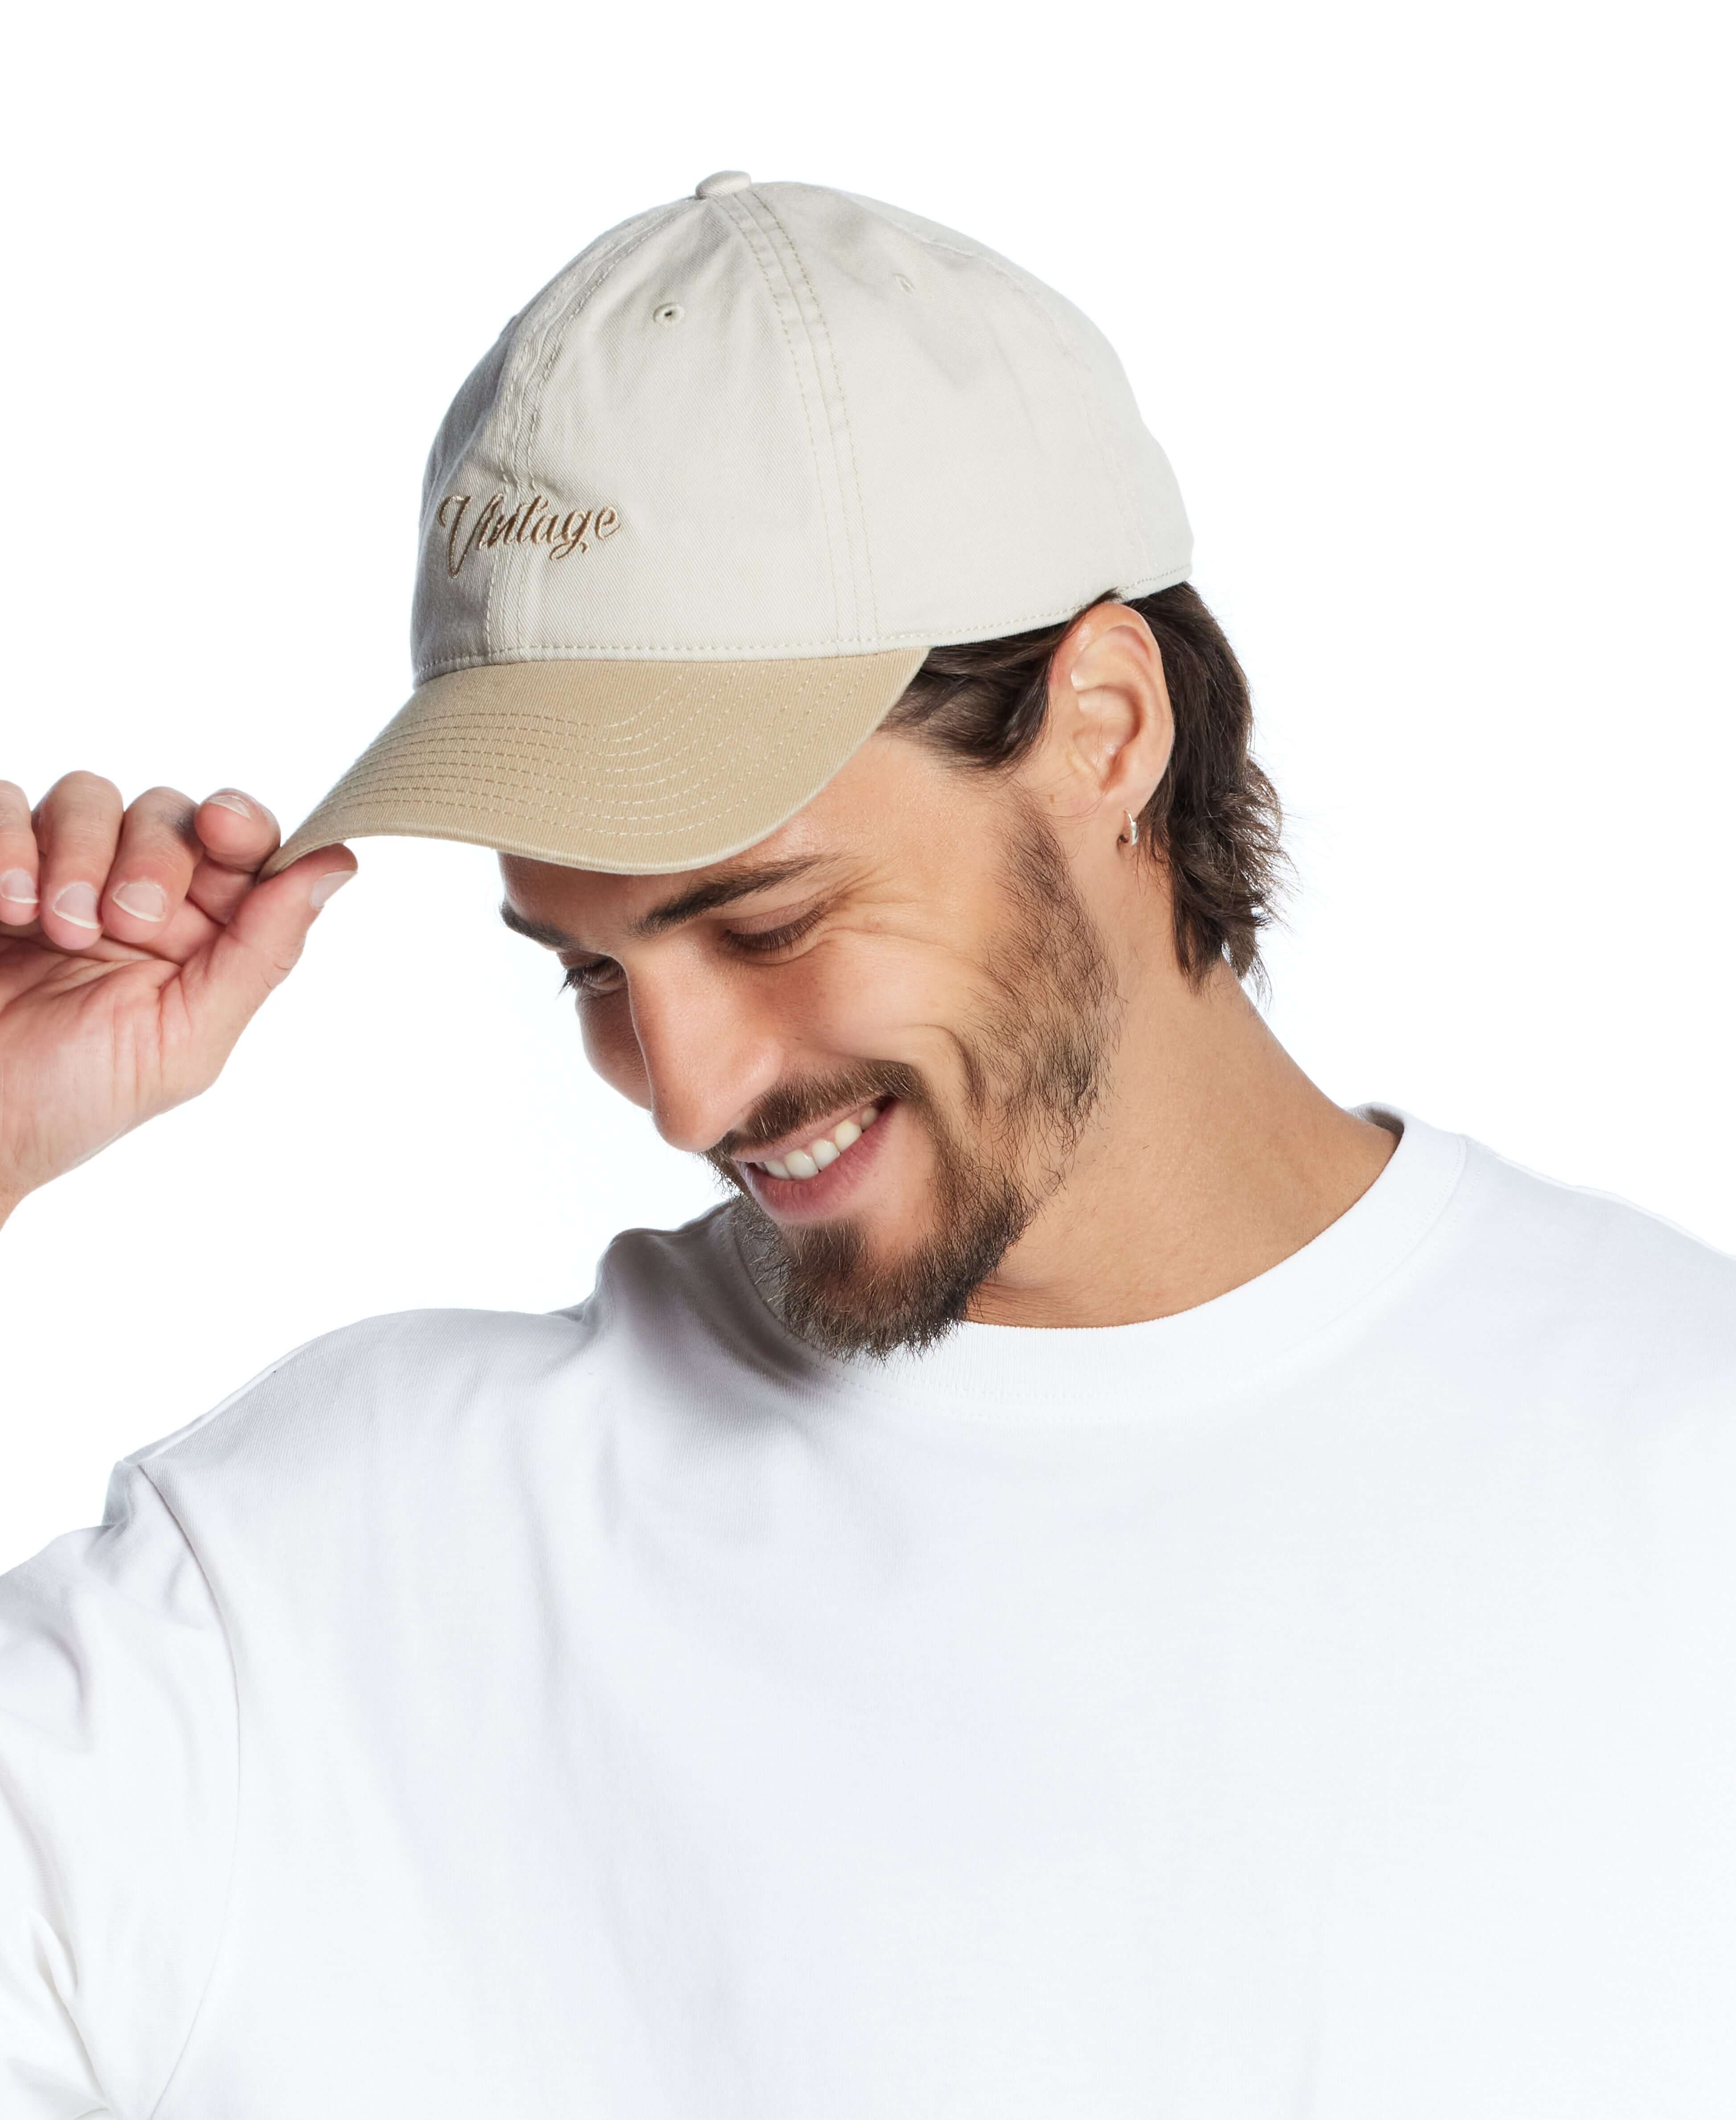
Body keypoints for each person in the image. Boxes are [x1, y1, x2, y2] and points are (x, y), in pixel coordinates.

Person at [1, 173, 1732, 2119]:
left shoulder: (1684, 1481)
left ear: (1100, 725)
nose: (673, 1089)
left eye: (762, 921)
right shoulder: (320, 1586)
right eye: (586, 966)